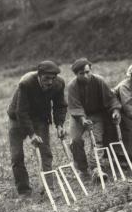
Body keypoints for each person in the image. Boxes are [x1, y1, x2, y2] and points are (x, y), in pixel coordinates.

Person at [7, 60, 67, 196]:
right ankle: (24, 191)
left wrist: (60, 125)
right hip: (17, 117)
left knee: (45, 152)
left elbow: (60, 106)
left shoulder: (58, 84)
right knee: (17, 156)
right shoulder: (26, 83)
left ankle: (47, 189)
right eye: (46, 78)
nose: (50, 82)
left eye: (53, 78)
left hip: (40, 118)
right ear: (39, 75)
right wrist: (32, 134)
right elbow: (21, 112)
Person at [67, 58, 122, 182]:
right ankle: (83, 169)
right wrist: (82, 119)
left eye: (88, 72)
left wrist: (115, 111)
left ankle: (96, 167)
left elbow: (111, 98)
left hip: (96, 115)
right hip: (78, 117)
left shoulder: (99, 81)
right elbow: (75, 106)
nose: (86, 76)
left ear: (91, 70)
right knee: (75, 140)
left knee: (97, 141)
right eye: (82, 74)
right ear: (76, 74)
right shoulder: (72, 86)